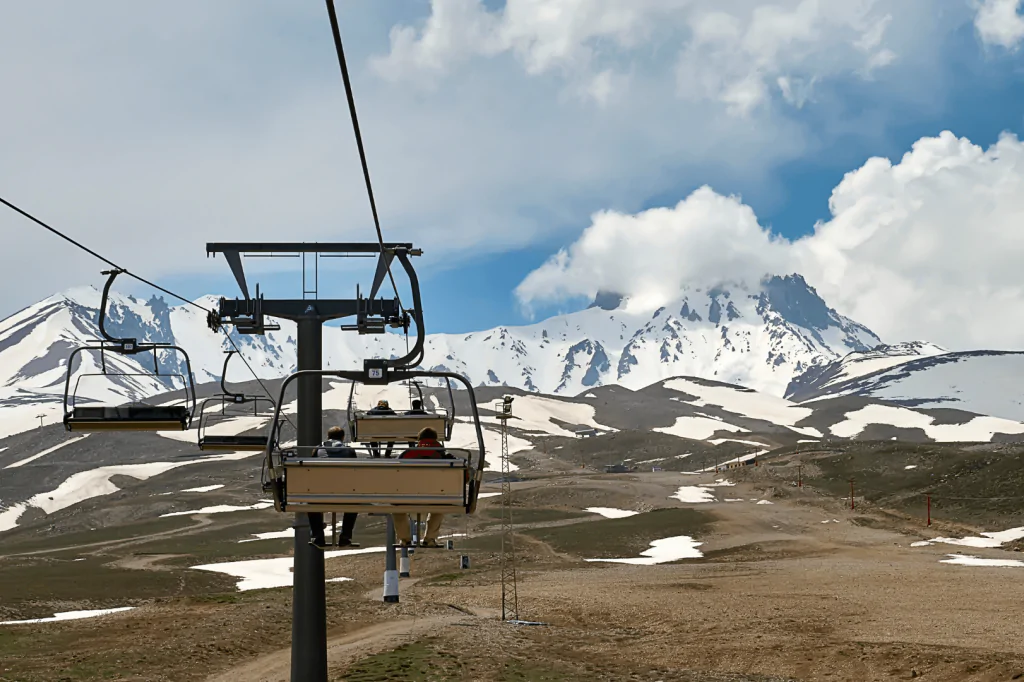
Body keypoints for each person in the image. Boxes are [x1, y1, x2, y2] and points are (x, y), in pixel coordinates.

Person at [392, 427, 452, 547]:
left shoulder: (407, 454)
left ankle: (404, 539)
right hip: (436, 496)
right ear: (435, 439)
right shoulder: (444, 456)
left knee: (397, 509)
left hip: (408, 496)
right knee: (440, 508)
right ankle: (430, 539)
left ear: (419, 440)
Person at [311, 426, 359, 547]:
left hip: (321, 493)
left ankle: (317, 535)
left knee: (310, 503)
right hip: (345, 493)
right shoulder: (349, 451)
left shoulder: (318, 450)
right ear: (342, 438)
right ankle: (345, 536)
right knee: (354, 505)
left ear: (328, 437)